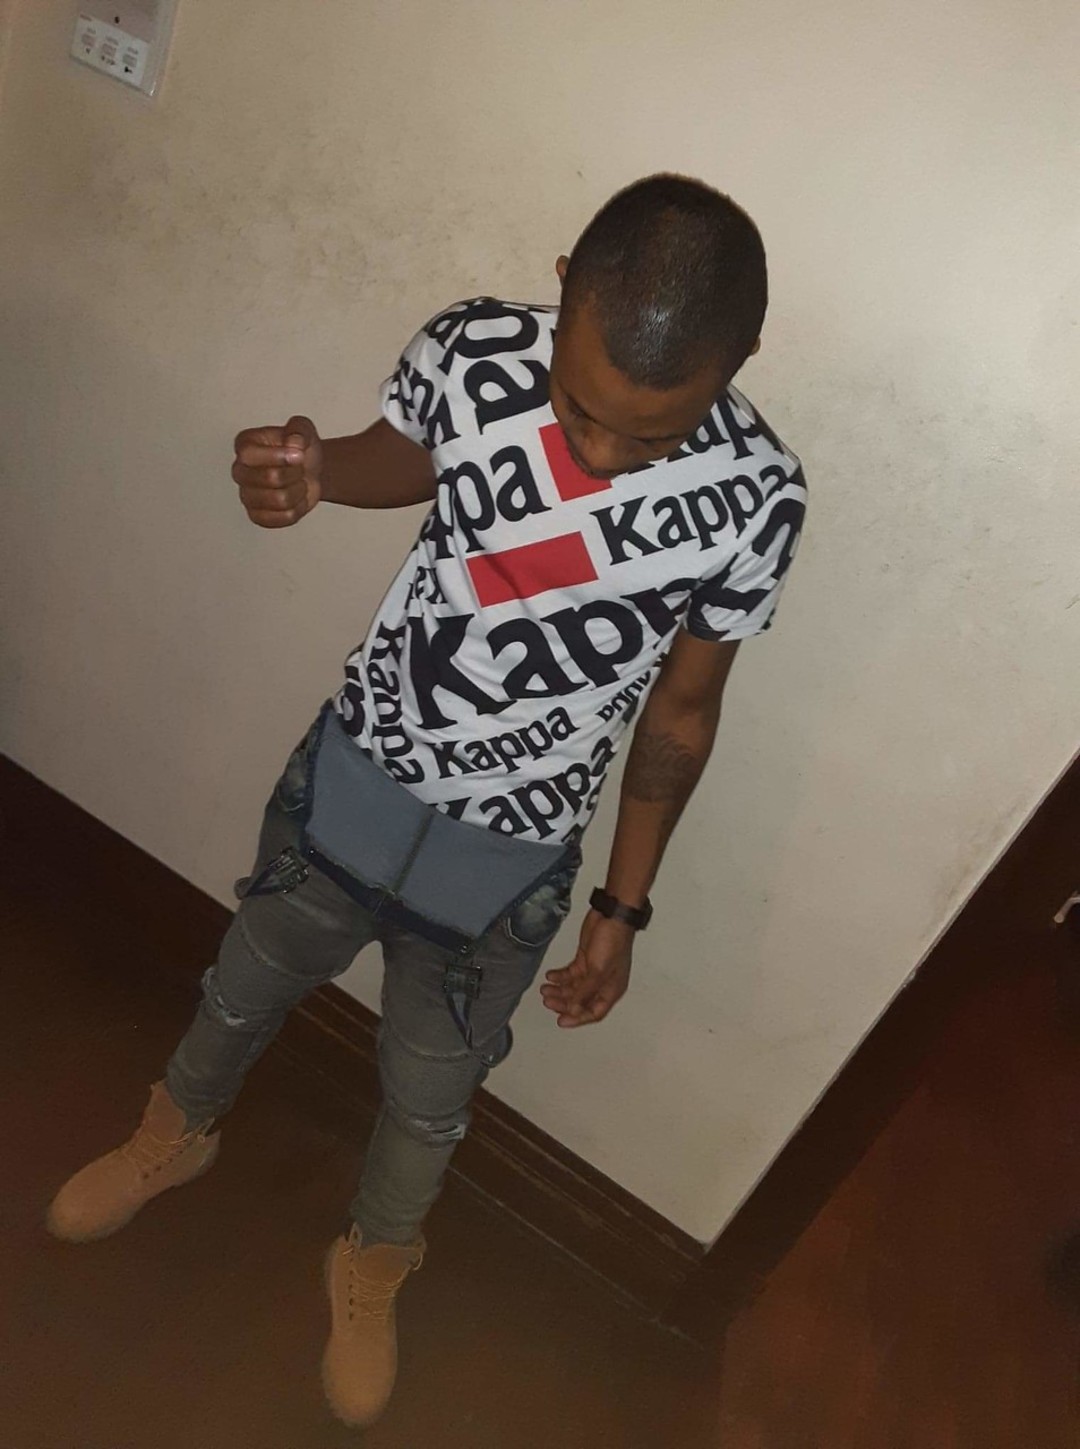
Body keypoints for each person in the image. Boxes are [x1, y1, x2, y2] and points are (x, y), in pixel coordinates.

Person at [46, 174, 807, 1427]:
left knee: (430, 1091)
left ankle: (375, 1258)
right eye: (577, 409)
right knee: (245, 978)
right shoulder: (473, 346)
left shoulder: (759, 497)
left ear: (742, 358)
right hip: (352, 778)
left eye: (649, 440)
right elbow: (403, 457)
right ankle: (175, 1130)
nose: (599, 456)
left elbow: (682, 714)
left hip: (507, 861)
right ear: (562, 289)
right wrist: (314, 472)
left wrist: (622, 908)